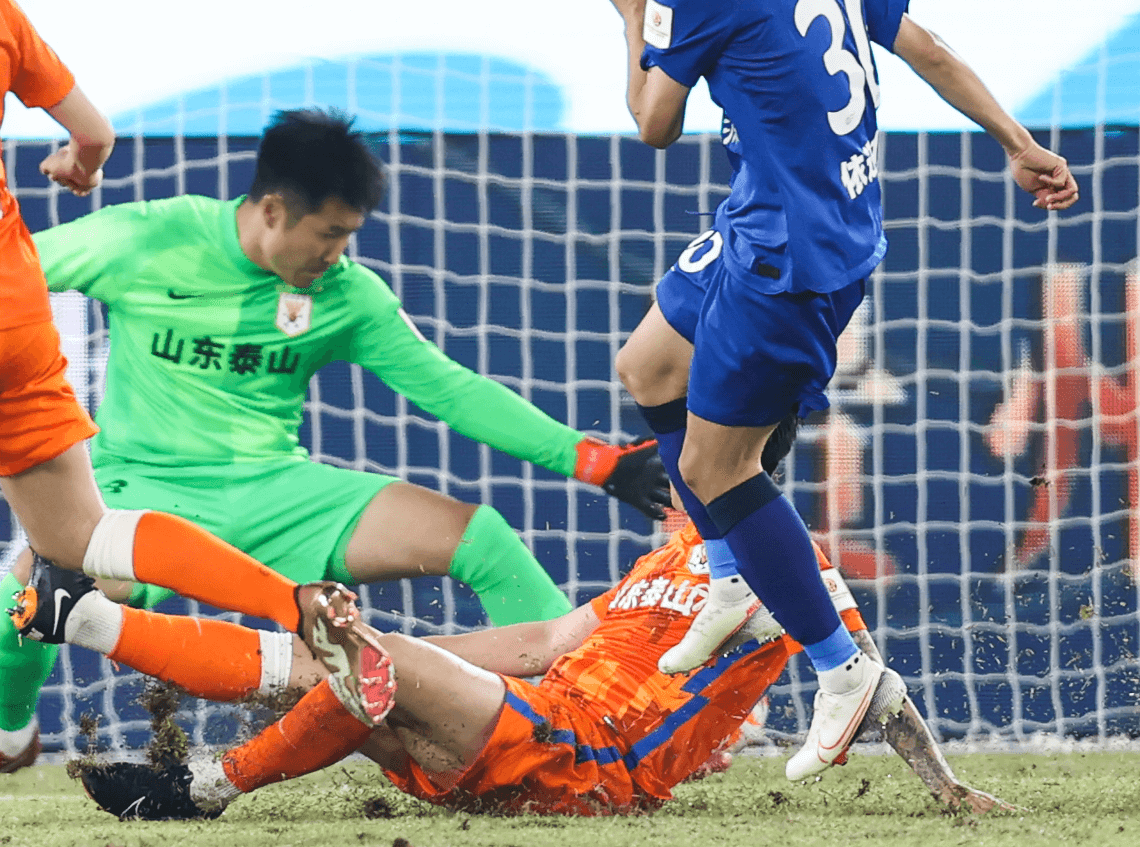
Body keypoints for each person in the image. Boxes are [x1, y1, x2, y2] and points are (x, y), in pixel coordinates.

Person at [600, 0, 1079, 782]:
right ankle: (729, 577)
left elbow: (652, 123)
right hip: (774, 217)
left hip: (793, 253)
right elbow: (925, 45)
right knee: (648, 366)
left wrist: (632, 13)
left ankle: (841, 665)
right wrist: (1017, 142)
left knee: (718, 467)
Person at [0, 107, 667, 770]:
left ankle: (584, 716)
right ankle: (10, 733)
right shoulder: (146, 237)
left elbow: (452, 389)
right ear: (271, 211)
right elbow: (15, 276)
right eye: (328, 234)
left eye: (348, 235)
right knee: (25, 596)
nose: (336, 254)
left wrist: (598, 463)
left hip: (279, 495)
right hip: (143, 488)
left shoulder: (348, 294)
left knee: (480, 537)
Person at [0, 0, 391, 775]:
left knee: (65, 556)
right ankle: (295, 605)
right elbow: (94, 134)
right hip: (13, 305)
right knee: (80, 539)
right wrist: (80, 163)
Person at [77, 501, 1011, 820]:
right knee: (331, 664)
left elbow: (870, 683)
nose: (675, 476)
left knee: (362, 664)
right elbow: (546, 643)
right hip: (527, 728)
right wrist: (417, 661)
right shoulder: (666, 560)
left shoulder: (793, 563)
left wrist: (945, 788)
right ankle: (77, 618)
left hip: (590, 760)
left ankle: (201, 788)